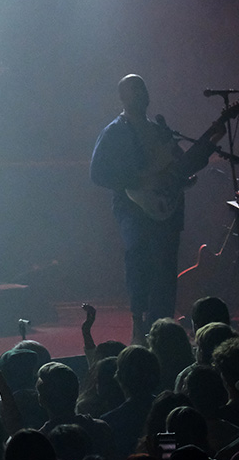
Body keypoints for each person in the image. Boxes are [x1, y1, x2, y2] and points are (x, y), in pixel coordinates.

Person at [90, 74, 218, 342]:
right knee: (141, 264)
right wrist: (140, 180)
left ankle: (163, 331)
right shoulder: (114, 131)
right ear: (123, 97)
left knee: (166, 270)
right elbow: (98, 173)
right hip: (133, 209)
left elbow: (180, 165)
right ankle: (140, 326)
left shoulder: (160, 129)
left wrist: (202, 154)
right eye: (135, 91)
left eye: (144, 90)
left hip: (167, 210)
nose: (142, 95)